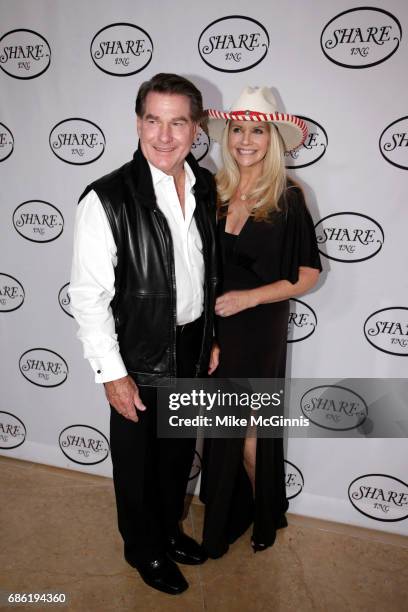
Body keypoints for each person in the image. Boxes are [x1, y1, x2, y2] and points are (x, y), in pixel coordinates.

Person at [69, 73, 218, 595]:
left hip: (192, 342)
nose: (163, 135)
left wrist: (209, 337)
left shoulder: (205, 185)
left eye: (178, 122)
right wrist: (113, 375)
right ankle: (143, 548)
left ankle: (167, 530)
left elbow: (204, 270)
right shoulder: (106, 199)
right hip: (137, 354)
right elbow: (88, 298)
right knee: (138, 463)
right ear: (138, 123)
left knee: (177, 456)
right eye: (153, 120)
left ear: (196, 129)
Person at [200, 86, 322, 558]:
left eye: (256, 130)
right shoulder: (213, 190)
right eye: (236, 129)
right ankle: (238, 507)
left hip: (258, 325)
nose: (244, 140)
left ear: (272, 139)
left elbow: (306, 275)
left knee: (248, 431)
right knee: (220, 424)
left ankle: (264, 511)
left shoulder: (288, 196)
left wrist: (249, 298)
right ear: (226, 135)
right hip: (216, 327)